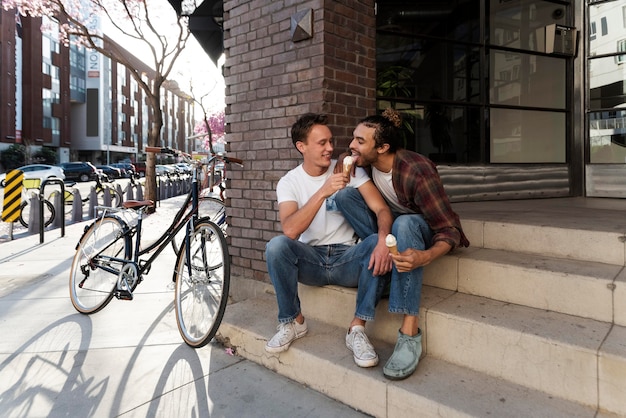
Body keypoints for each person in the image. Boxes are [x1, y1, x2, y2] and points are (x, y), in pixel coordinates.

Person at [334, 108, 470, 380]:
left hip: (419, 229)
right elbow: (348, 157)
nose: (351, 145)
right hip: (390, 226)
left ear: (383, 147)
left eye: (360, 141)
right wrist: (345, 159)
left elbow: (449, 230)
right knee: (344, 197)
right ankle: (382, 258)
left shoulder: (417, 172)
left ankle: (409, 329)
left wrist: (425, 257)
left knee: (404, 224)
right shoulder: (367, 163)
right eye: (353, 138)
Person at [264, 113, 394, 369]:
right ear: (301, 147)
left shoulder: (350, 170)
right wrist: (323, 191)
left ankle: (357, 330)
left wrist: (381, 239)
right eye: (322, 143)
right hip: (310, 260)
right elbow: (290, 229)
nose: (330, 148)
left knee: (375, 243)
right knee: (276, 246)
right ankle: (293, 321)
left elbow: (382, 210)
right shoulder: (289, 182)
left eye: (331, 141)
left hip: (349, 259)